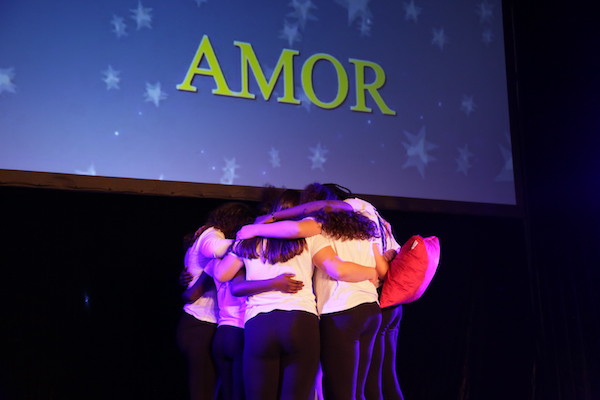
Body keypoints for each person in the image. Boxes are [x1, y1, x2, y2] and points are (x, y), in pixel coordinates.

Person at [212, 190, 380, 400]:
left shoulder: (249, 240)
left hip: (259, 326)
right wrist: (372, 272)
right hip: (300, 322)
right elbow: (337, 269)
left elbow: (221, 274)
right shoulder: (311, 238)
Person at [176, 202, 255, 400]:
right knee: (203, 390)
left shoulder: (207, 237)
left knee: (210, 389)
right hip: (200, 323)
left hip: (203, 323)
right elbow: (217, 249)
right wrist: (258, 241)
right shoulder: (211, 234)